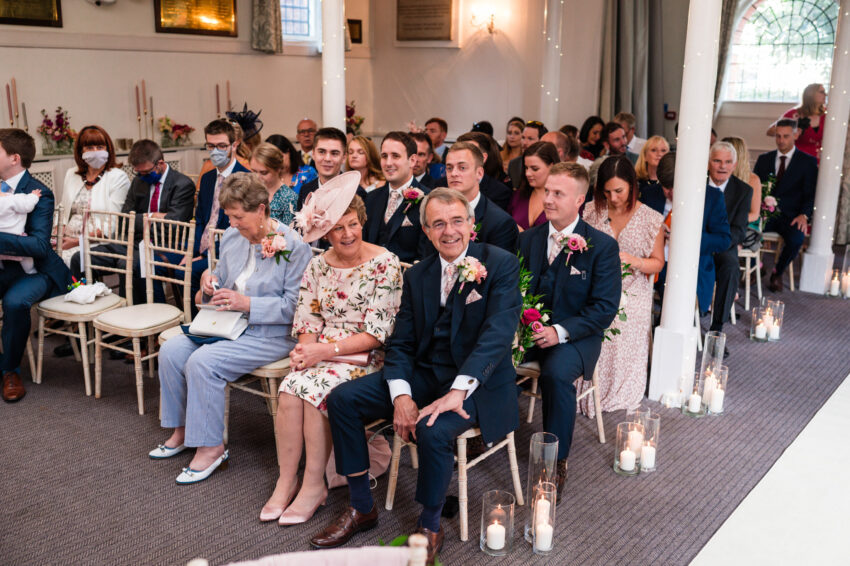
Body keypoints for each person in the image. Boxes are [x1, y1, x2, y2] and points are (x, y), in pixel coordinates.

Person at [311, 188, 522, 564]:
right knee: (343, 399)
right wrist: (402, 397)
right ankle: (362, 507)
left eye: (457, 221)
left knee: (432, 429)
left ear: (471, 224)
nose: (449, 231)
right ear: (425, 230)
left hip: (479, 383)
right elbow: (403, 342)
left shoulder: (500, 263)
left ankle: (430, 525)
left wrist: (458, 392)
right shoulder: (420, 274)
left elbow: (497, 337)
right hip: (426, 374)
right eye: (438, 223)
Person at [261, 175, 403, 525]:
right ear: (326, 235)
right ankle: (286, 480)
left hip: (366, 359)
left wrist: (322, 353)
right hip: (324, 354)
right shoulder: (317, 265)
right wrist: (304, 353)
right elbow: (307, 322)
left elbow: (376, 334)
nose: (347, 234)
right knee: (291, 387)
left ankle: (314, 485)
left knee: (311, 391)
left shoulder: (385, 263)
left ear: (362, 222)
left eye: (352, 225)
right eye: (337, 229)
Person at [152, 172, 311, 484]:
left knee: (203, 362)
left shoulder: (294, 247)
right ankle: (183, 429)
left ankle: (211, 448)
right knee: (171, 350)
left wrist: (247, 303)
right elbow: (222, 275)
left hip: (272, 333)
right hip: (227, 323)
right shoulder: (234, 237)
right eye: (229, 216)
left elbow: (295, 308)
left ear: (262, 209)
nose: (234, 223)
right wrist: (208, 280)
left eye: (239, 216)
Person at [517, 162, 620, 492]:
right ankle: (483, 431)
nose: (547, 199)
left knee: (556, 373)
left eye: (557, 193)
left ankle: (555, 462)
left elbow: (603, 310)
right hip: (527, 331)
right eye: (547, 191)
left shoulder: (602, 247)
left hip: (577, 336)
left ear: (580, 200)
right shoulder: (528, 239)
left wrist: (558, 332)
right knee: (486, 355)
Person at [578, 156, 664, 416]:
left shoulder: (650, 218)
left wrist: (635, 261)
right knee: (588, 313)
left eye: (619, 191)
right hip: (595, 285)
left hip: (632, 288)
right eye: (607, 191)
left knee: (621, 318)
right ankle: (586, 384)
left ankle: (617, 388)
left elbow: (658, 263)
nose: (613, 197)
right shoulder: (591, 210)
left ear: (632, 186)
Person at [70, 139, 194, 305]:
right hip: (134, 242)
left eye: (146, 172)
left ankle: (132, 317)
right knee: (80, 257)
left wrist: (144, 218)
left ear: (160, 163)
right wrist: (153, 216)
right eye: (138, 173)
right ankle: (87, 311)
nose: (142, 176)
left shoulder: (182, 184)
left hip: (165, 244)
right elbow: (124, 220)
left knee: (128, 263)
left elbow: (174, 222)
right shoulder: (139, 181)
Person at [0, 129, 72, 402]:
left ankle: (10, 372)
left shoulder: (39, 193)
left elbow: (41, 246)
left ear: (14, 158)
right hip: (4, 267)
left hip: (37, 271)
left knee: (16, 303)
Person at [178, 119, 250, 301]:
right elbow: (200, 219)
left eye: (221, 146)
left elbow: (238, 229)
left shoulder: (244, 178)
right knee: (157, 266)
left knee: (184, 273)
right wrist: (192, 252)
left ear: (234, 145)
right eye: (210, 146)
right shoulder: (209, 178)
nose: (215, 151)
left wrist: (205, 255)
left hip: (225, 249)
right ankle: (180, 315)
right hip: (202, 248)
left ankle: (196, 320)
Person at [653, 153, 731, 314]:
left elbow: (723, 240)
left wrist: (685, 238)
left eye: (677, 188)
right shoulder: (650, 194)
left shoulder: (711, 197)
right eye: (667, 188)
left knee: (677, 306)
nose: (672, 193)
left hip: (690, 267)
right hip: (653, 265)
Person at [753, 118, 818, 292]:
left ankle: (777, 272)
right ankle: (757, 266)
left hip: (791, 216)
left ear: (796, 135)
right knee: (745, 232)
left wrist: (804, 215)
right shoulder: (764, 160)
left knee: (797, 238)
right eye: (778, 136)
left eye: (786, 136)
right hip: (765, 214)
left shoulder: (808, 162)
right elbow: (754, 188)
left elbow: (810, 194)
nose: (781, 140)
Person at [58, 125, 131, 266]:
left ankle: (79, 288)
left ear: (108, 149)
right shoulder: (71, 174)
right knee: (41, 255)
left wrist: (77, 242)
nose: (95, 152)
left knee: (64, 261)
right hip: (67, 238)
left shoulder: (117, 177)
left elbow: (113, 223)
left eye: (100, 147)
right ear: (81, 152)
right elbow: (62, 206)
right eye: (89, 148)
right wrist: (57, 232)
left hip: (98, 241)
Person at [706, 142, 753, 352]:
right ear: (709, 163)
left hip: (725, 244)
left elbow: (739, 229)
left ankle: (716, 330)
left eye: (727, 162)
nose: (722, 166)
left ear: (734, 165)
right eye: (717, 161)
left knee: (731, 266)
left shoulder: (743, 191)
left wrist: (716, 244)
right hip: (695, 243)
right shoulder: (697, 183)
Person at [363, 131, 429, 263]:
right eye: (384, 156)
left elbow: (425, 256)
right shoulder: (371, 198)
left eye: (395, 156)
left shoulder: (428, 201)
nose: (388, 163)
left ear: (412, 160)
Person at [440, 142, 517, 252]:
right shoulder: (438, 211)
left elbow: (498, 267)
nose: (454, 173)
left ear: (479, 173)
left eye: (462, 167)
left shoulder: (500, 223)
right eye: (449, 168)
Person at [453, 132, 512, 210]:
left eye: (469, 152)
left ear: (483, 158)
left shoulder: (499, 193)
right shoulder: (441, 185)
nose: (462, 156)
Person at [766, 83, 826, 160]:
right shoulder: (795, 114)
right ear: (811, 95)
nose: (825, 94)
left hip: (821, 160)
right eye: (822, 92)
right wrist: (792, 127)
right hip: (798, 159)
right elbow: (770, 131)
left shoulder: (827, 115)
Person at [508, 141, 559, 230]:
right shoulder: (518, 195)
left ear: (552, 166)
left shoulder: (563, 199)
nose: (527, 173)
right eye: (526, 168)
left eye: (535, 169)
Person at [296, 127, 347, 210]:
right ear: (313, 154)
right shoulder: (305, 190)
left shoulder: (355, 191)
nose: (327, 158)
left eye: (334, 153)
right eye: (322, 152)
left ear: (344, 158)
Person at [250, 142, 298, 226]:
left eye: (264, 172)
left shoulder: (289, 198)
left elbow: (289, 235)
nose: (257, 177)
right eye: (254, 171)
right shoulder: (249, 191)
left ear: (278, 169)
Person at [723, 136, 762, 224]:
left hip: (738, 225)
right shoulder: (716, 174)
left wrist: (728, 222)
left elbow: (754, 214)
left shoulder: (753, 179)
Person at [507, 120, 547, 189]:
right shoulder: (514, 164)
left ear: (541, 141)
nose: (524, 143)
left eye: (530, 139)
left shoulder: (547, 164)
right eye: (523, 138)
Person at [635, 135, 670, 200]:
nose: (659, 154)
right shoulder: (635, 183)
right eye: (654, 150)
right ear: (645, 156)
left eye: (663, 150)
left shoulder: (671, 185)